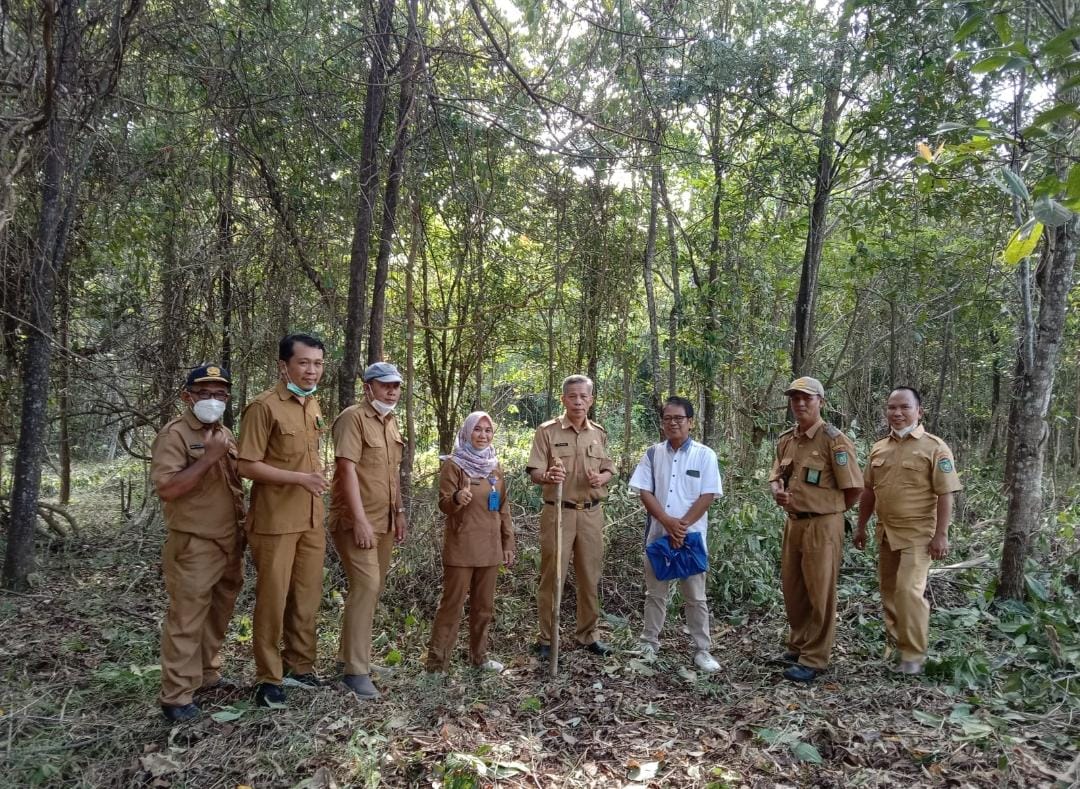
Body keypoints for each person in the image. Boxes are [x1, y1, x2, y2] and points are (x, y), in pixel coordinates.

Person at [237, 334, 329, 707]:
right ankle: (268, 677)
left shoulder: (311, 405)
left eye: (318, 364)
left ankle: (299, 667)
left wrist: (317, 477)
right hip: (275, 520)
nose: (311, 371)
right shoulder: (264, 407)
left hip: (310, 518)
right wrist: (300, 479)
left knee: (306, 596)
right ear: (284, 365)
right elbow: (246, 464)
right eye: (304, 363)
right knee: (273, 599)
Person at [151, 365, 245, 722]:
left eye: (220, 394)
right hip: (194, 543)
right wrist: (207, 458)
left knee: (217, 615)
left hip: (229, 541)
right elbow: (168, 488)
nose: (212, 400)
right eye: (204, 393)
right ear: (187, 396)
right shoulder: (174, 435)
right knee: (187, 619)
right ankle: (176, 697)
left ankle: (207, 674)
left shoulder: (225, 434)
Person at [854, 387, 962, 675]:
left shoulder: (934, 447)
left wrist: (942, 534)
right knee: (889, 591)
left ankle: (913, 656)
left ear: (919, 411)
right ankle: (895, 644)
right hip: (886, 532)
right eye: (892, 407)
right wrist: (861, 525)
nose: (897, 413)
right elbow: (869, 490)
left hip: (918, 535)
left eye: (904, 407)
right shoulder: (879, 448)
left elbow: (946, 493)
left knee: (908, 592)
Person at [768, 376, 862, 683]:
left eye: (807, 398)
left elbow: (853, 489)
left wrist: (827, 510)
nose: (800, 404)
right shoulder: (787, 439)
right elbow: (777, 475)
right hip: (793, 523)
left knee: (820, 591)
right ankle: (798, 644)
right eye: (795, 398)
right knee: (793, 589)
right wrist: (777, 492)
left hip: (823, 525)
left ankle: (815, 657)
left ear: (821, 401)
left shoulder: (834, 440)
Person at [328, 361, 408, 699]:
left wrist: (400, 512)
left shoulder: (390, 423)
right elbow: (346, 471)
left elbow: (391, 475)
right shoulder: (352, 418)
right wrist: (359, 520)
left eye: (396, 386)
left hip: (385, 520)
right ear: (368, 387)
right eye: (384, 384)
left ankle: (351, 656)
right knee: (366, 584)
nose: (391, 391)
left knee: (371, 590)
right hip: (356, 521)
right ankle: (355, 672)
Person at [629, 396, 723, 673]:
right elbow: (644, 490)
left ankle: (702, 650)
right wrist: (667, 522)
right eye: (667, 418)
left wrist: (680, 526)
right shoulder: (652, 454)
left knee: (695, 596)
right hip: (659, 535)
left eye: (678, 418)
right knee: (655, 593)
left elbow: (709, 494)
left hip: (691, 538)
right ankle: (649, 642)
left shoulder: (705, 455)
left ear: (690, 422)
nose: (672, 423)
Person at [527, 374, 616, 658]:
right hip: (559, 514)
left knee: (590, 576)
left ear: (591, 400)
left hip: (591, 514)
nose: (578, 401)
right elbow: (534, 472)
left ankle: (588, 635)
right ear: (563, 399)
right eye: (572, 396)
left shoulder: (598, 433)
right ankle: (546, 638)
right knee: (553, 577)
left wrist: (602, 477)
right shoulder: (547, 431)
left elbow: (608, 467)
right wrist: (548, 476)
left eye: (584, 396)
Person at [425, 411, 516, 675]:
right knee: (452, 606)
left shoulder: (495, 467)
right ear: (467, 432)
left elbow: (503, 508)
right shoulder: (454, 464)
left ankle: (479, 658)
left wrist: (507, 543)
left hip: (490, 547)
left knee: (484, 606)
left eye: (488, 430)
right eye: (478, 430)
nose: (483, 435)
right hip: (462, 546)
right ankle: (436, 665)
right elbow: (443, 504)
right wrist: (456, 497)